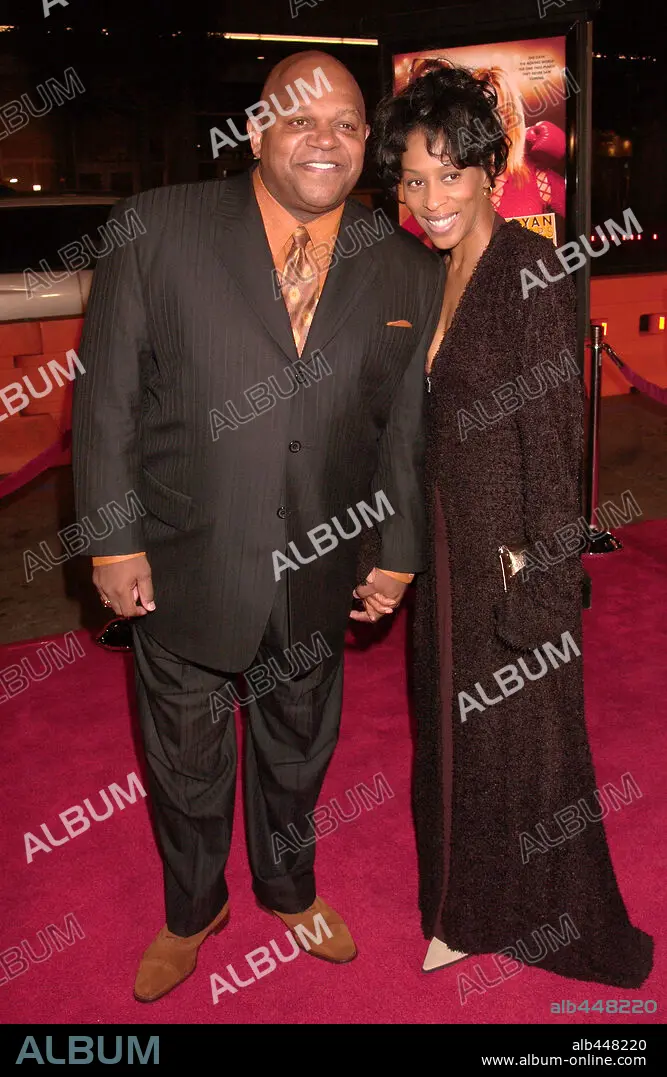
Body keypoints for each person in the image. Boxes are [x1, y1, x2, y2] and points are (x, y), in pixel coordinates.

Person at [72, 51, 445, 1002]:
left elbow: (403, 433)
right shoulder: (156, 228)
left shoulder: (405, 266)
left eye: (348, 124)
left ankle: (288, 887)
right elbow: (108, 398)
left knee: (298, 744)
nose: (326, 139)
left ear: (366, 141)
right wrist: (112, 538)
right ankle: (192, 908)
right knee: (184, 756)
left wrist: (396, 553)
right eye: (301, 117)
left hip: (324, 559)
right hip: (183, 557)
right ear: (255, 129)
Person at [373, 62, 653, 987]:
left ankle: (503, 914)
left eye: (449, 174)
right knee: (454, 744)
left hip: (508, 566)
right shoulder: (437, 271)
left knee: (515, 754)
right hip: (448, 559)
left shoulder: (530, 273)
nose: (430, 199)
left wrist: (544, 586)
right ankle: (467, 904)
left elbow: (557, 444)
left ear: (491, 172)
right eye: (414, 179)